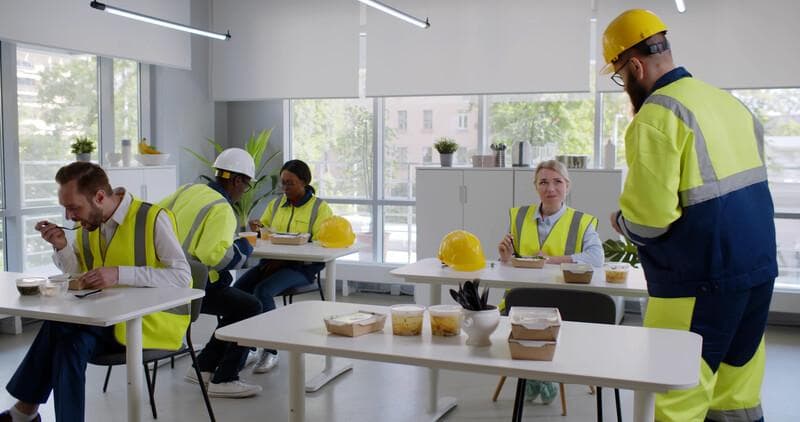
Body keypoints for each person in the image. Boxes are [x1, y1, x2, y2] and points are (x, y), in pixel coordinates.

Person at [603, 9, 776, 422]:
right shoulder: (728, 103)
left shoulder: (658, 115)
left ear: (635, 65)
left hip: (698, 282)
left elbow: (649, 220)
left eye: (619, 75)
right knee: (737, 394)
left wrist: (621, 222)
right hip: (756, 272)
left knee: (676, 393)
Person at [2, 162, 191, 422]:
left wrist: (119, 273)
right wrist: (61, 247)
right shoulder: (89, 223)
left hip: (150, 322)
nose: (68, 216)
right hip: (104, 319)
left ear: (99, 196)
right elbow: (80, 273)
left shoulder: (153, 218)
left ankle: (23, 413)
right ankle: (26, 414)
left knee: (63, 331)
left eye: (73, 207)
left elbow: (183, 278)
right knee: (68, 338)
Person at [158, 147, 263, 398]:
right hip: (193, 286)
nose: (243, 192)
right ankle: (225, 379)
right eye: (246, 185)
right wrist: (245, 247)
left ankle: (202, 367)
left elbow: (155, 218)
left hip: (162, 281)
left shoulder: (186, 190)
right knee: (250, 308)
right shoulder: (222, 208)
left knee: (237, 306)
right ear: (237, 180)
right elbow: (215, 257)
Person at [497, 159, 603, 405]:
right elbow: (512, 262)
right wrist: (505, 258)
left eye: (557, 182)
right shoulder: (520, 216)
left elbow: (596, 258)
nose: (550, 188)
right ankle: (539, 375)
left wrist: (554, 260)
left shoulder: (582, 221)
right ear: (536, 187)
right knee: (529, 313)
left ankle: (538, 375)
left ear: (568, 186)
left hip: (565, 302)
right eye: (543, 182)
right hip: (524, 299)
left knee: (542, 318)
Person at [235, 159, 332, 373]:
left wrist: (284, 256)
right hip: (271, 263)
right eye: (283, 183)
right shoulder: (277, 204)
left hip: (301, 268)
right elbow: (266, 231)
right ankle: (247, 347)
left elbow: (319, 244)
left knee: (262, 291)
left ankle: (270, 351)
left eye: (290, 183)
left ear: (304, 182)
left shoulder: (320, 208)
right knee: (237, 291)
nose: (285, 188)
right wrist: (258, 227)